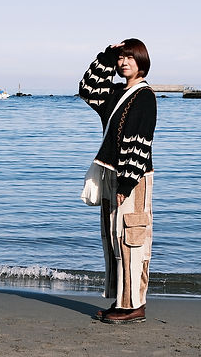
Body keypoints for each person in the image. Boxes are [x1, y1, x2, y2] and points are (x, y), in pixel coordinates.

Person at [78, 38, 157, 324]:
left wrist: (126, 184)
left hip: (132, 179)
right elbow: (87, 89)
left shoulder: (145, 96)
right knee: (113, 239)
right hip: (112, 173)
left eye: (129, 58)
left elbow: (140, 142)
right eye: (121, 58)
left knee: (131, 238)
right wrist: (106, 54)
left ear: (141, 62)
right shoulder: (115, 93)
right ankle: (123, 300)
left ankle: (135, 306)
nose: (124, 63)